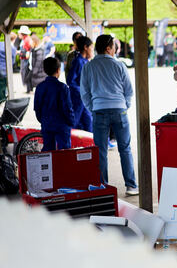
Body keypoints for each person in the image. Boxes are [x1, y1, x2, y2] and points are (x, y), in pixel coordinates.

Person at [80, 34, 139, 196]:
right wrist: (123, 106)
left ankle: (103, 186)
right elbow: (129, 91)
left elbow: (84, 92)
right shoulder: (119, 66)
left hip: (99, 111)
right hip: (119, 110)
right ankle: (131, 185)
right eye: (114, 47)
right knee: (125, 149)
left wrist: (93, 107)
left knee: (100, 150)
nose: (115, 50)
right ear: (108, 48)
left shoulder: (88, 67)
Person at [34, 57, 75, 151]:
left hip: (46, 124)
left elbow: (37, 108)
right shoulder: (63, 87)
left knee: (48, 153)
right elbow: (67, 108)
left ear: (44, 70)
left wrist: (43, 120)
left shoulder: (40, 87)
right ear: (58, 70)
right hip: (62, 126)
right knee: (64, 153)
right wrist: (71, 122)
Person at [67, 36, 94, 132]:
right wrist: (81, 92)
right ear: (86, 47)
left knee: (88, 121)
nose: (92, 50)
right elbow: (70, 81)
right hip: (78, 98)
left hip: (85, 98)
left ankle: (95, 143)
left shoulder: (86, 61)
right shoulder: (78, 62)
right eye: (91, 47)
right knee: (76, 122)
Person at [0, 32, 16, 103]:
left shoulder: (0, 44)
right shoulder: (12, 48)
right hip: (4, 70)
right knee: (3, 87)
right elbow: (12, 61)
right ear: (13, 39)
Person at [18, 26, 33, 93]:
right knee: (25, 73)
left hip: (25, 59)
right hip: (24, 58)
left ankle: (29, 89)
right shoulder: (25, 39)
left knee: (25, 73)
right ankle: (28, 89)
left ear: (22, 33)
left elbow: (29, 50)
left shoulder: (27, 39)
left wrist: (21, 52)